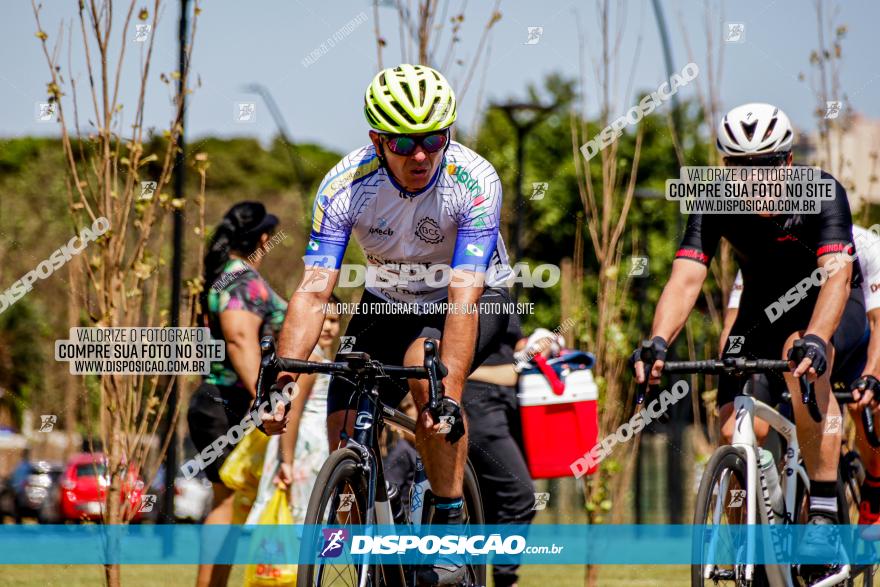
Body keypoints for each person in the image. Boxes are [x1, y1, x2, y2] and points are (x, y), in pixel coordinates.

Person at [260, 63, 513, 586]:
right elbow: (313, 290)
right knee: (342, 429)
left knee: (430, 376)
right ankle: (376, 555)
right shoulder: (344, 187)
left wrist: (449, 392)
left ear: (449, 133)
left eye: (432, 138)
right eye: (402, 142)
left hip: (471, 295)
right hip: (386, 300)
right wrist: (281, 383)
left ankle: (447, 520)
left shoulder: (475, 180)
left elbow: (464, 297)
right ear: (377, 140)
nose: (419, 154)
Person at [631, 103, 865, 576]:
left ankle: (820, 510)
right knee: (731, 428)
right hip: (760, 313)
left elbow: (837, 277)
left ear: (788, 163)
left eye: (765, 166)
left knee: (799, 355)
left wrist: (818, 339)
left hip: (830, 305)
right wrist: (657, 340)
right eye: (740, 166)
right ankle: (750, 550)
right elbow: (685, 280)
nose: (754, 177)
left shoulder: (822, 193)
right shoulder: (714, 198)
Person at [722, 224, 880, 534]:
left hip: (852, 346)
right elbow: (733, 323)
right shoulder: (766, 247)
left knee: (868, 410)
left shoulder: (865, 243)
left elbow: (878, 321)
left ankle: (874, 485)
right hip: (792, 349)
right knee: (748, 429)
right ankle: (750, 539)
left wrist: (872, 374)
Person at [187, 202, 307, 587]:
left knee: (230, 500)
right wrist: (265, 400)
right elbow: (240, 340)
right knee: (226, 500)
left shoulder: (223, 276)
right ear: (263, 239)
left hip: (219, 399)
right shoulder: (241, 280)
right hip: (230, 402)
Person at [462, 312, 536, 587]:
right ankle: (506, 579)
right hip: (476, 407)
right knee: (520, 494)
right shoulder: (461, 289)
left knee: (487, 502)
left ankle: (471, 577)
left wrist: (536, 344)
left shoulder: (500, 288)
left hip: (503, 409)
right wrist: (509, 372)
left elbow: (512, 345)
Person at [275, 298, 340, 523]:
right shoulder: (311, 359)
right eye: (323, 320)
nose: (329, 327)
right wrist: (287, 460)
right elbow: (293, 409)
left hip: (318, 448)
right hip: (304, 450)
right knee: (303, 516)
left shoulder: (324, 358)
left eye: (334, 320)